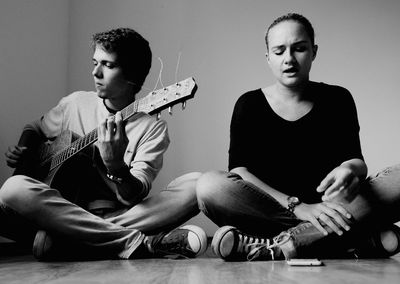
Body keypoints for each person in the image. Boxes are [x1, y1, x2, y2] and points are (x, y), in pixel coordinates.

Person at [196, 13, 400, 261]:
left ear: (313, 52)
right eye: (279, 51)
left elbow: (356, 161)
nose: (289, 59)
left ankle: (276, 247)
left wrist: (349, 170)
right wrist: (298, 207)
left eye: (299, 49)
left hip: (332, 209)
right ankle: (348, 243)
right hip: (272, 212)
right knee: (209, 186)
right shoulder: (249, 104)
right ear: (268, 57)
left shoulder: (338, 98)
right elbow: (240, 172)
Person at [1, 27, 207, 261]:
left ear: (132, 76)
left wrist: (116, 166)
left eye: (107, 65)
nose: (95, 72)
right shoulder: (76, 102)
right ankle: (138, 242)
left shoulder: (152, 128)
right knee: (12, 188)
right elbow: (34, 128)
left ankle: (72, 237)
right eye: (94, 62)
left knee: (197, 186)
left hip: (113, 214)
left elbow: (133, 196)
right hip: (57, 208)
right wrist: (24, 149)